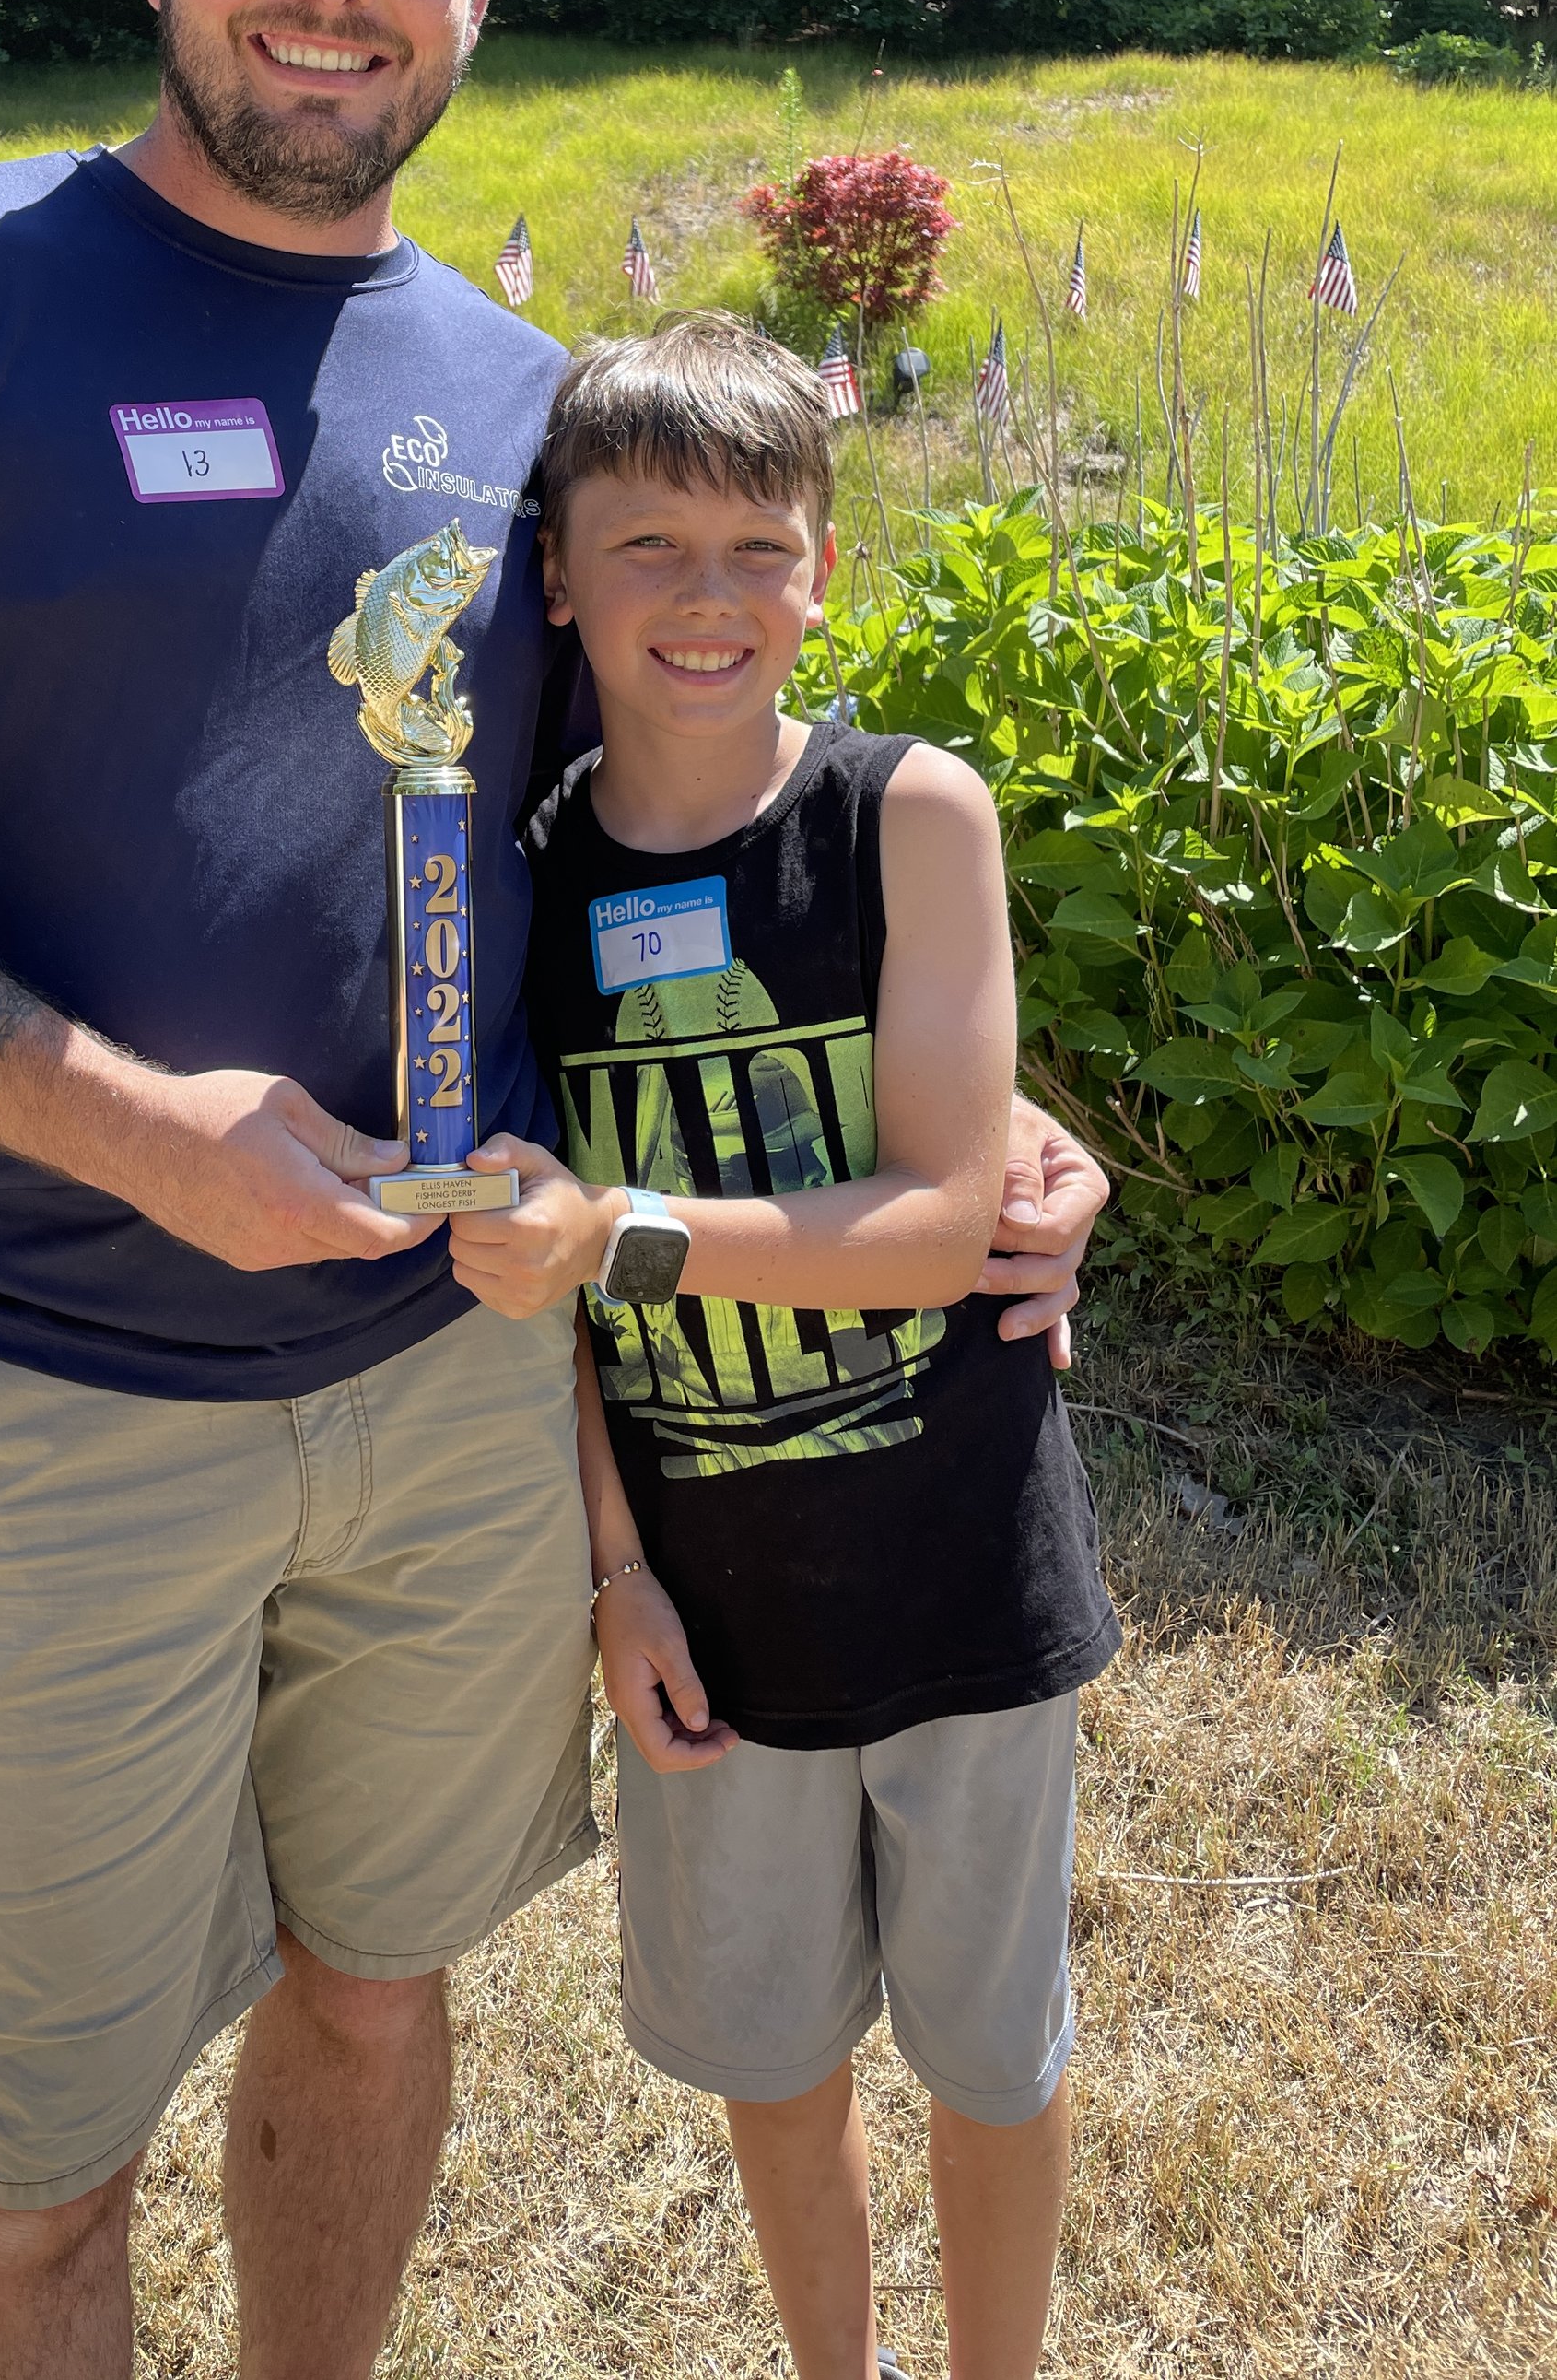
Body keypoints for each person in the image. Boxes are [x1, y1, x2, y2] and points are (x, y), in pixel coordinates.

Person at [0, 0, 1107, 2380]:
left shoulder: (524, 402)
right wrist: (126, 1124)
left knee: (381, 1994)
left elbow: (683, 812)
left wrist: (988, 1114)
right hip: (67, 1388)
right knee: (36, 2160)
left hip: (452, 1385)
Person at [446, 315, 1122, 2380]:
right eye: (643, 544)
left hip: (961, 1578)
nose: (706, 594)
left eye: (758, 541)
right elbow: (530, 1292)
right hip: (709, 1607)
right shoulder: (514, 879)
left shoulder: (910, 814)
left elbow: (934, 1224)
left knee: (992, 2057)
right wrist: (613, 1571)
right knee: (774, 2054)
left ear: (823, 561)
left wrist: (618, 1231)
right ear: (553, 571)